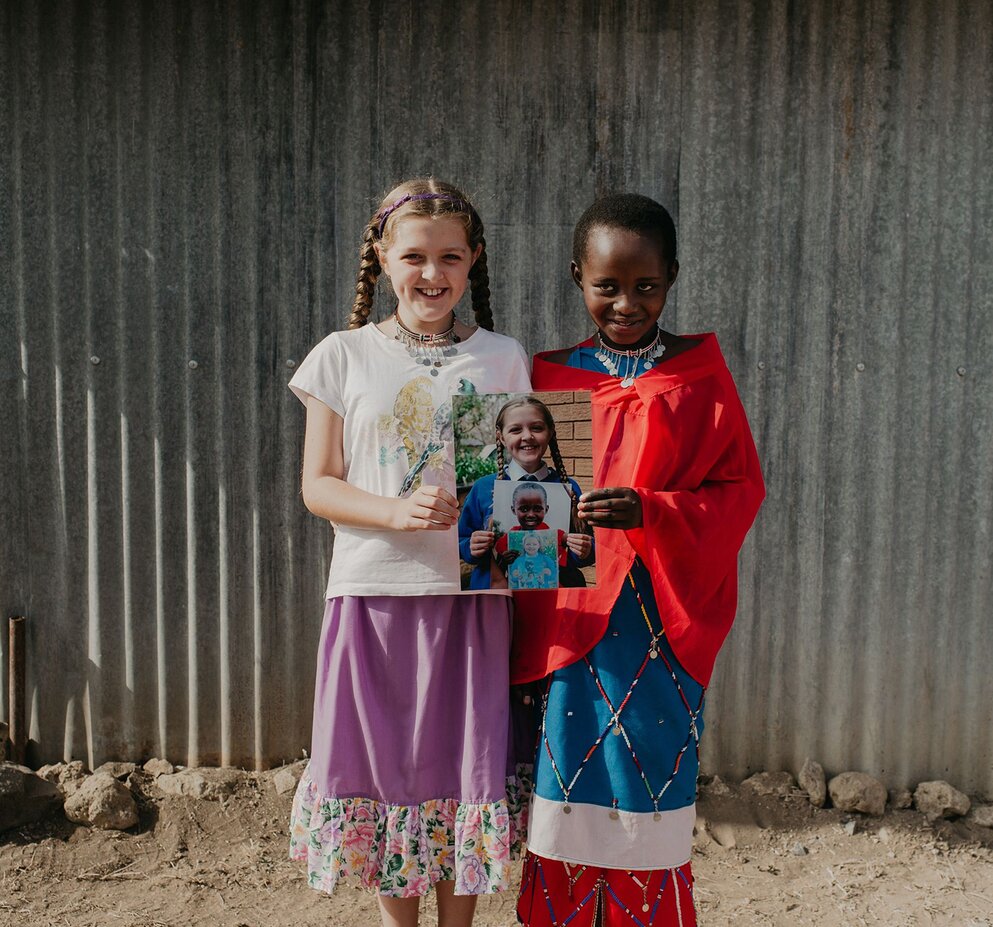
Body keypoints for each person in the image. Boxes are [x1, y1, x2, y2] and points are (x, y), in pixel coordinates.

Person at [512, 194, 765, 927]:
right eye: (606, 285)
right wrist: (531, 629)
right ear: (576, 277)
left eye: (645, 285)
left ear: (672, 277)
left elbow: (737, 490)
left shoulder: (698, 375)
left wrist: (650, 510)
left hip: (655, 624)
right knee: (565, 777)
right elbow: (532, 530)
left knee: (648, 781)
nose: (626, 303)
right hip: (574, 624)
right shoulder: (553, 377)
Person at [286, 178, 532, 927]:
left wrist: (524, 523)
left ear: (473, 261)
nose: (432, 274)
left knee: (466, 770)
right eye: (415, 256)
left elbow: (525, 477)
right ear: (383, 259)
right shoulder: (342, 355)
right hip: (372, 595)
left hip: (474, 601)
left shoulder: (502, 357)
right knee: (387, 773)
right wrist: (397, 511)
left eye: (450, 257)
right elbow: (318, 486)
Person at [458, 396, 593, 589]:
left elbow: (589, 547)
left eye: (537, 428)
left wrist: (584, 550)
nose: (527, 436)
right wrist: (470, 547)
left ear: (550, 432)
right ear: (501, 437)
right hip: (495, 597)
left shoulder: (567, 488)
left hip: (557, 598)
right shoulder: (483, 488)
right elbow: (460, 542)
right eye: (515, 430)